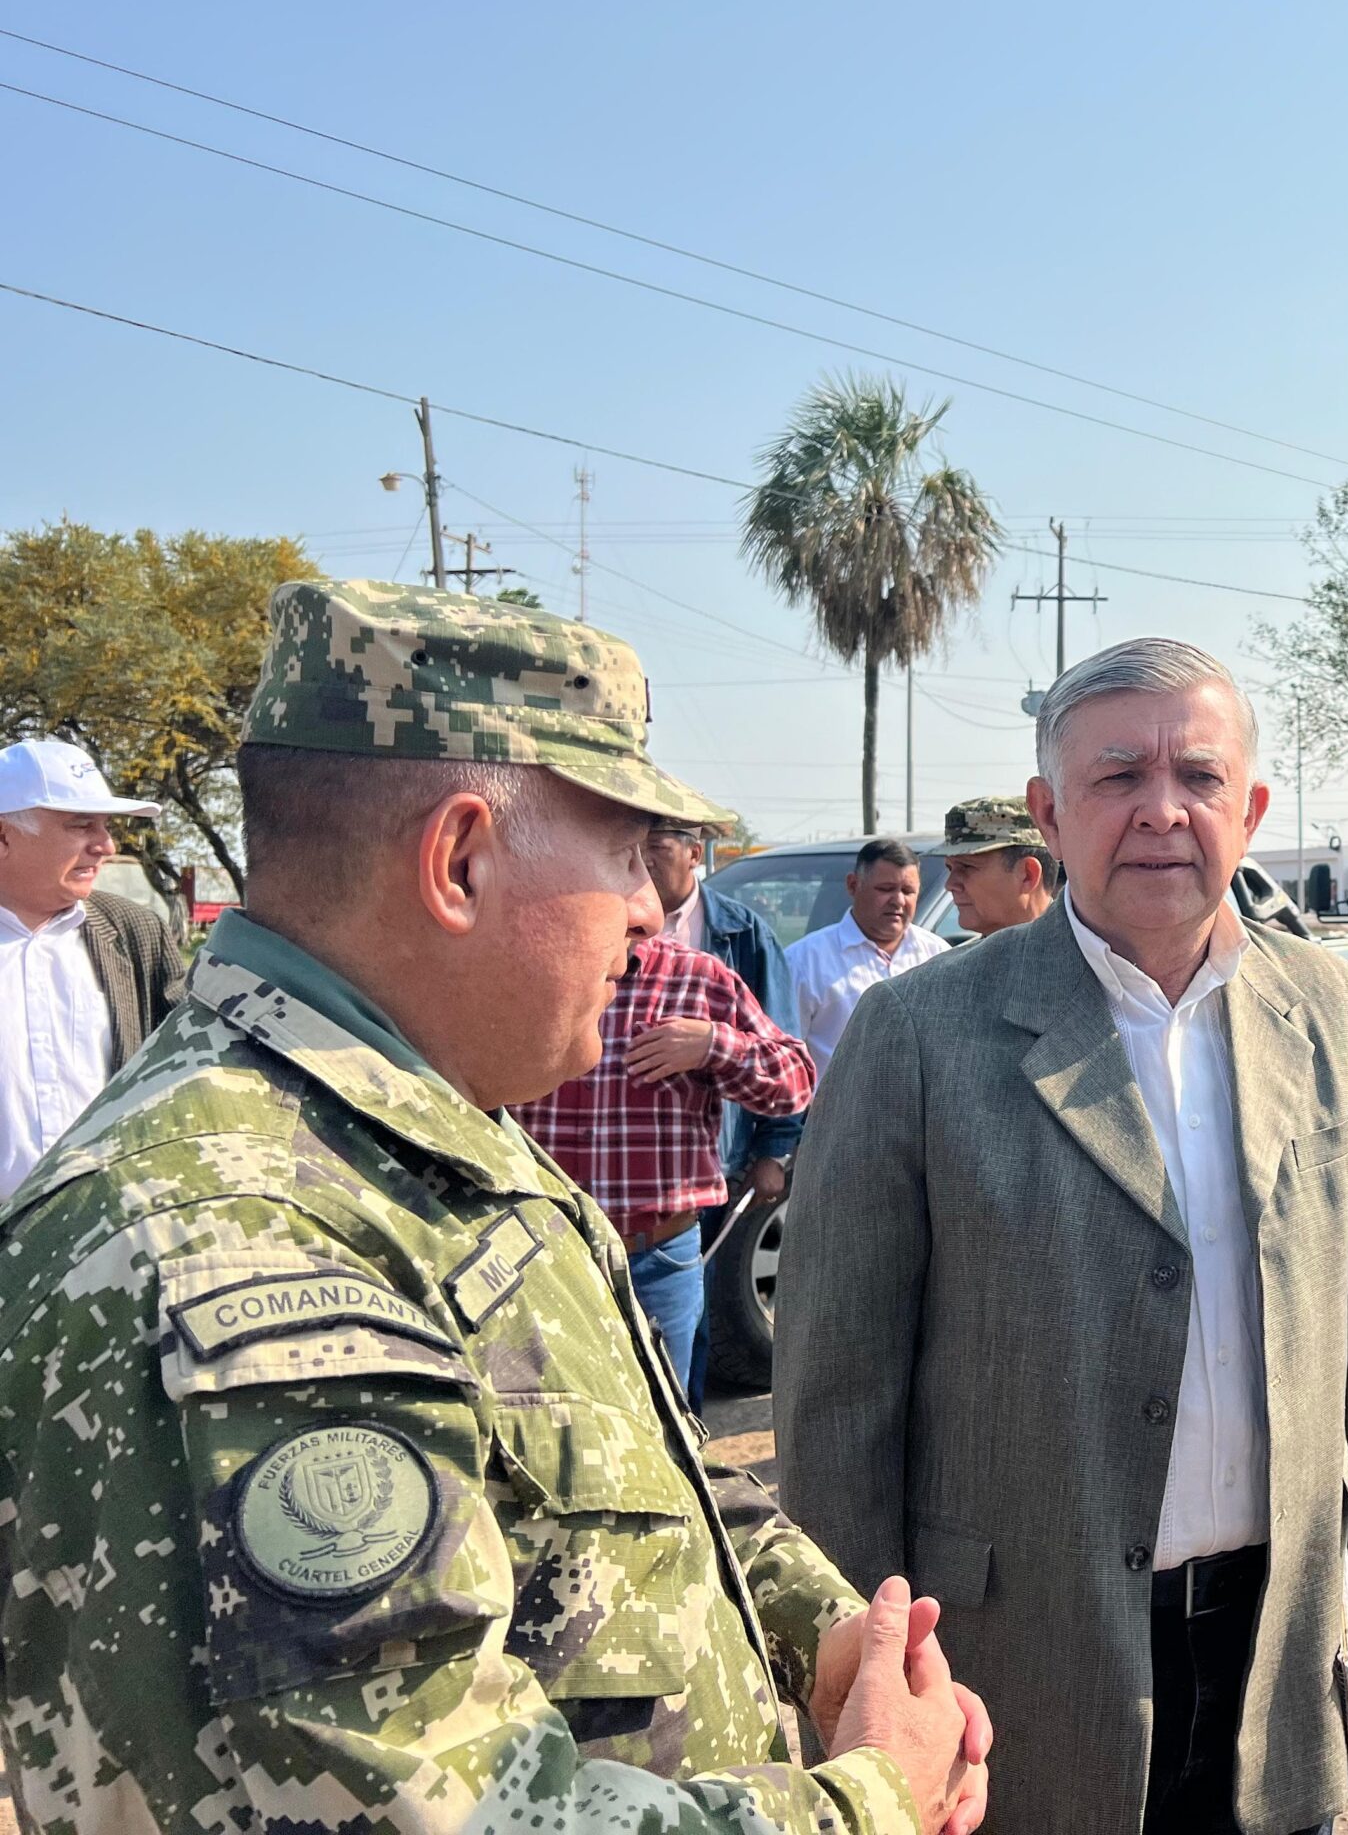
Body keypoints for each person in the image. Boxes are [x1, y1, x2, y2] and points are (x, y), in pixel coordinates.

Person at [0, 579, 988, 1834]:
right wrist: (868, 1802)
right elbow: (427, 1810)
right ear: (458, 860)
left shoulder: (420, 1136)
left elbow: (615, 1485)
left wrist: (829, 1634)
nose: (650, 908)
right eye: (626, 850)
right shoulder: (234, 1241)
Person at [775, 637, 1348, 1835]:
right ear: (1048, 815)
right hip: (1012, 1669)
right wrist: (860, 1674)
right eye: (1118, 777)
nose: (1163, 811)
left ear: (1253, 808)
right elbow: (837, 1399)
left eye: (1200, 778)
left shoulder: (1326, 1006)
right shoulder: (918, 1037)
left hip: (1276, 1643)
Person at [511, 931, 814, 1406]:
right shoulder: (526, 968)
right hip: (547, 1255)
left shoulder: (695, 977)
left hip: (656, 1258)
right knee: (553, 1421)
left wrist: (714, 1045)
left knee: (665, 1426)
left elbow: (794, 1081)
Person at [644, 819, 804, 1406]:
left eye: (656, 846)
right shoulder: (608, 922)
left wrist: (773, 1150)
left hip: (719, 1162)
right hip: (625, 1176)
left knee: (695, 1318)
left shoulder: (739, 934)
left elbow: (782, 1046)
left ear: (694, 853)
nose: (642, 859)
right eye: (633, 845)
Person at [0, 737, 187, 1195]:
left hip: (108, 1242)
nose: (105, 845)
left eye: (105, 826)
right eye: (82, 826)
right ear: (3, 836)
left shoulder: (135, 934)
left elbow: (182, 1077)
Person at [789, 836, 948, 1073]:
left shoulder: (938, 955)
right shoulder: (804, 961)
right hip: (835, 1109)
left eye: (908, 891)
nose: (898, 901)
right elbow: (788, 1055)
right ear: (853, 885)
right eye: (886, 889)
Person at [935, 794, 1058, 934]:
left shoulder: (1080, 952)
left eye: (967, 867)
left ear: (1027, 875)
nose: (950, 885)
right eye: (950, 868)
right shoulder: (956, 956)